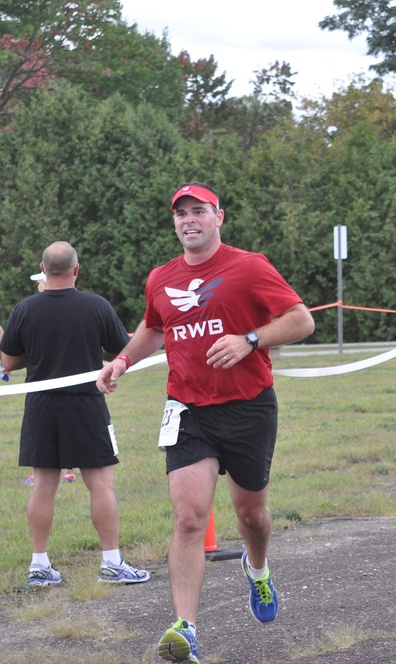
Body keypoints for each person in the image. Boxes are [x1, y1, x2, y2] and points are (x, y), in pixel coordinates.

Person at [96, 183, 315, 664]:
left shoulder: (249, 266)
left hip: (248, 405)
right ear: (174, 222)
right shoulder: (161, 277)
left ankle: (256, 570)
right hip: (188, 409)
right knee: (189, 517)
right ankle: (186, 628)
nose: (189, 220)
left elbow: (301, 321)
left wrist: (250, 339)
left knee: (251, 515)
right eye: (181, 214)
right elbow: (155, 327)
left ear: (220, 216)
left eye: (199, 211)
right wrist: (122, 362)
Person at [0, 242, 150, 588]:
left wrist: (38, 353)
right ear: (76, 270)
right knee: (100, 483)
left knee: (43, 485)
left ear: (43, 268)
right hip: (85, 403)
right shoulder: (96, 306)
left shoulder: (24, 309)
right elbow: (117, 349)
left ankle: (39, 566)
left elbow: (8, 362)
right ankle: (111, 563)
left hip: (41, 407)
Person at [22, 271, 76, 485]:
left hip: (53, 380)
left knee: (51, 427)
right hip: (56, 380)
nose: (37, 287)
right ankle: (61, 471)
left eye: (39, 283)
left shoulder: (31, 309)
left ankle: (61, 471)